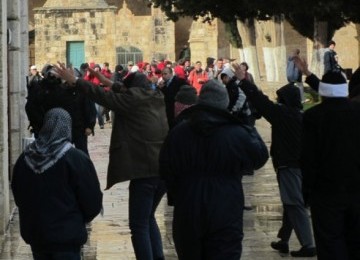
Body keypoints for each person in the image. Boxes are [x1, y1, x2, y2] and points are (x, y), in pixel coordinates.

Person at [53, 63, 168, 260]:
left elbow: (102, 97)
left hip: (145, 171)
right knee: (148, 219)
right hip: (164, 169)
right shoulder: (156, 97)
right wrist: (108, 82)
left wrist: (75, 81)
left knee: (138, 225)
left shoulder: (131, 101)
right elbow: (125, 91)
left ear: (131, 90)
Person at [159, 80, 269, 259]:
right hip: (225, 202)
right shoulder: (236, 133)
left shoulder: (179, 132)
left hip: (188, 204)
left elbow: (165, 168)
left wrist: (179, 193)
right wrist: (247, 127)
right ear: (224, 104)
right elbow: (259, 157)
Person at [233, 63, 317, 257]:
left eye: (279, 99)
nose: (277, 102)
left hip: (289, 165)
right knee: (291, 201)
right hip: (301, 164)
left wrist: (244, 81)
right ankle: (284, 240)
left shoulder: (283, 115)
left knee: (294, 203)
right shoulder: (301, 115)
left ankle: (308, 243)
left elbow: (261, 102)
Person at [11, 108, 103, 260]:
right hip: (67, 236)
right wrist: (78, 219)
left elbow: (19, 194)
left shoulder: (25, 158)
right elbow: (92, 199)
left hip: (37, 235)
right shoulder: (75, 159)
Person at [294, 58, 360, 259]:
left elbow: (308, 158)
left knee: (330, 242)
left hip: (325, 192)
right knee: (355, 240)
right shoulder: (356, 113)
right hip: (357, 191)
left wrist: (306, 192)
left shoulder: (313, 116)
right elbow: (334, 92)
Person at [25, 64, 96, 156]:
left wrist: (90, 125)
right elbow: (32, 109)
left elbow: (89, 107)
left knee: (82, 152)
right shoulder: (49, 90)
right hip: (57, 129)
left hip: (78, 127)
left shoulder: (77, 90)